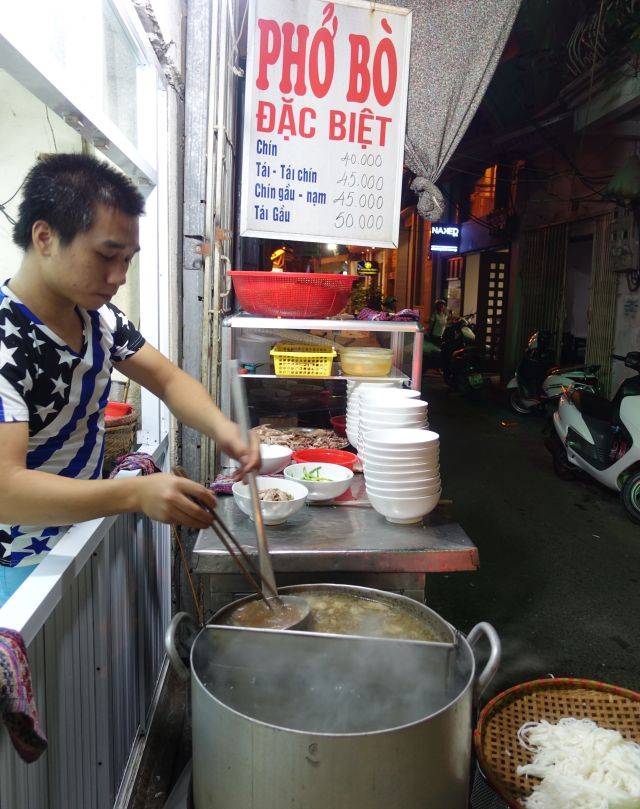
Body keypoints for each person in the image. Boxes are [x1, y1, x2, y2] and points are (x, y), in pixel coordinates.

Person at [0, 153, 260, 585]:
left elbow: (168, 379)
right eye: (107, 256)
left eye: (128, 259)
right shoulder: (8, 340)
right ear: (44, 237)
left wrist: (224, 430)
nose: (119, 276)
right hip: (17, 566)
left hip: (76, 537)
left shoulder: (99, 320)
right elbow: (5, 490)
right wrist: (134, 493)